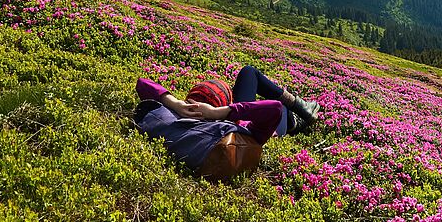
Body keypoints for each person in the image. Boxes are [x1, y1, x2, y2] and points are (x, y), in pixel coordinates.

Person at [133, 65, 321, 181]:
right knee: (285, 112)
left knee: (249, 72)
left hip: (236, 111)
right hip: (260, 120)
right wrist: (218, 111)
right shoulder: (242, 131)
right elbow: (274, 109)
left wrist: (176, 104)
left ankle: (300, 109)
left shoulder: (178, 117)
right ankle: (300, 115)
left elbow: (142, 82)